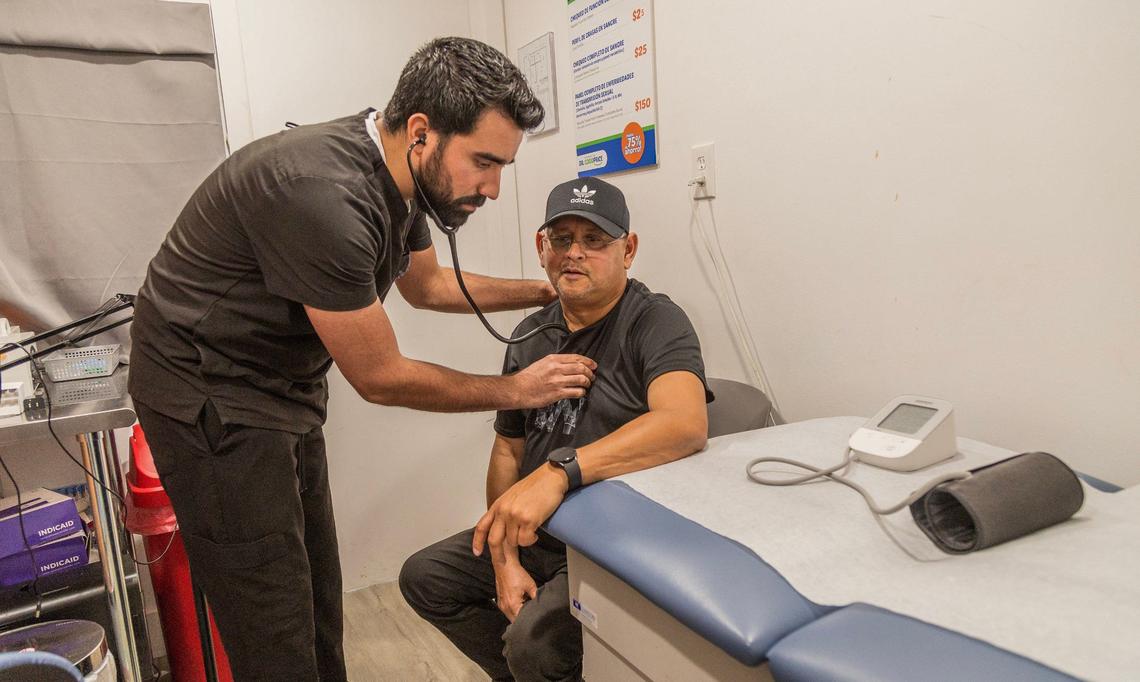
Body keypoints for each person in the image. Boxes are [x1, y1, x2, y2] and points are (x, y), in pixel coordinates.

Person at [128, 37, 597, 681]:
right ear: (423, 133)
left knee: (316, 583)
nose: (491, 188)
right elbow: (381, 377)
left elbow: (428, 287)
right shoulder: (325, 197)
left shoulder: (404, 178)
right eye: (484, 162)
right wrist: (519, 389)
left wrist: (548, 288)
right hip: (207, 393)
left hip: (281, 390)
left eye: (502, 167)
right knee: (269, 607)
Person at [399, 177, 712, 681]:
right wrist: (504, 555)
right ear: (541, 248)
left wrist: (560, 472)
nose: (575, 253)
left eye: (594, 240)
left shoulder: (655, 321)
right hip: (537, 535)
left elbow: (684, 424)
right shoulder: (530, 333)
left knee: (534, 646)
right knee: (425, 578)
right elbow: (507, 449)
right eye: (562, 239)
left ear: (628, 250)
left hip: (609, 545)